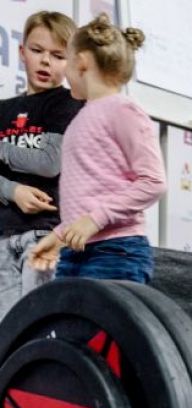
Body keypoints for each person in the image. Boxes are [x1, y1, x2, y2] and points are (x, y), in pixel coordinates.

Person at [29, 13, 165, 283]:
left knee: (105, 326)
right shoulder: (82, 117)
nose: (65, 72)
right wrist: (58, 237)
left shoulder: (123, 110)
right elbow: (92, 193)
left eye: (66, 60)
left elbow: (153, 182)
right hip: (76, 253)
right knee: (66, 324)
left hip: (116, 252)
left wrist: (96, 219)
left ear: (81, 62)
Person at [0, 11, 83, 320]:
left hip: (45, 236)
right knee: (6, 331)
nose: (46, 61)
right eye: (37, 51)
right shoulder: (3, 109)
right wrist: (12, 189)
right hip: (3, 234)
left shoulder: (68, 103)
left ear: (72, 61)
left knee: (39, 322)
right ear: (22, 52)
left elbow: (49, 164)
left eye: (58, 55)